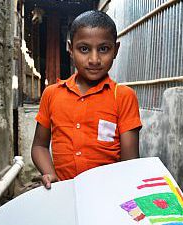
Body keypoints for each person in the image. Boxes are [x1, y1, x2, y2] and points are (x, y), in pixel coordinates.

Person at [31, 10, 142, 189]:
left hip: (108, 194)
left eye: (104, 49)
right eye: (84, 49)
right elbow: (39, 146)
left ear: (116, 49)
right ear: (70, 48)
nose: (94, 59)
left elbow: (129, 162)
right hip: (64, 192)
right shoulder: (52, 94)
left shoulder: (123, 96)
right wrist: (49, 173)